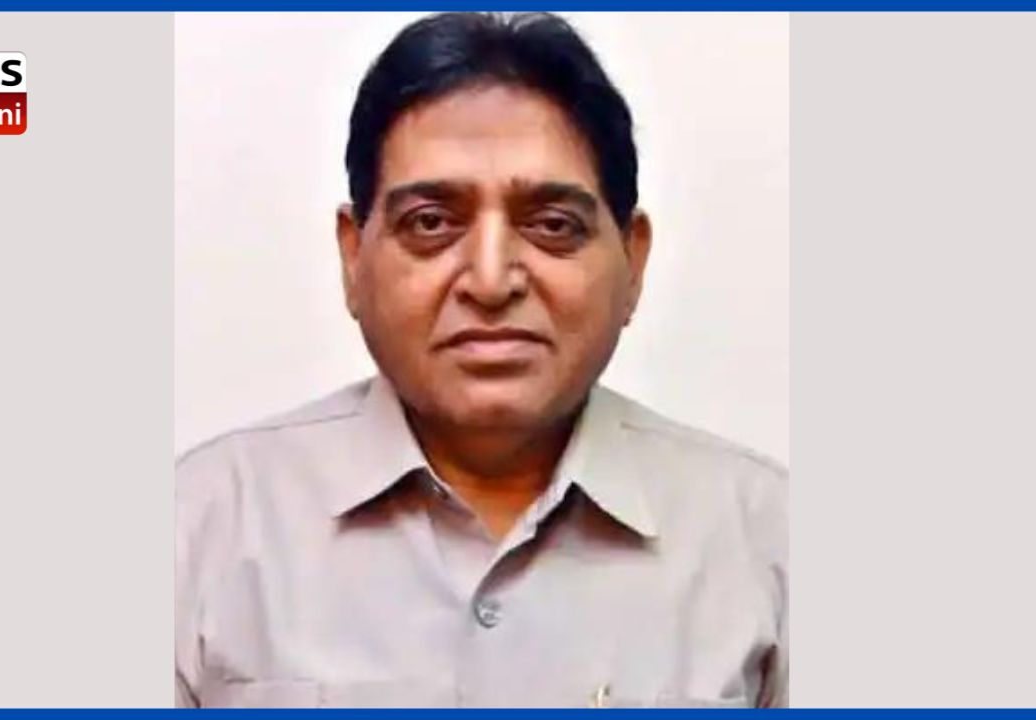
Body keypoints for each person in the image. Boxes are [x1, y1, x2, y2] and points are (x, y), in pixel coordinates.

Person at [175, 11, 787, 708]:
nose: (492, 281)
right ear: (353, 256)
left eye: (552, 225)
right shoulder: (198, 530)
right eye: (431, 222)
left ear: (632, 260)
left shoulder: (768, 543)